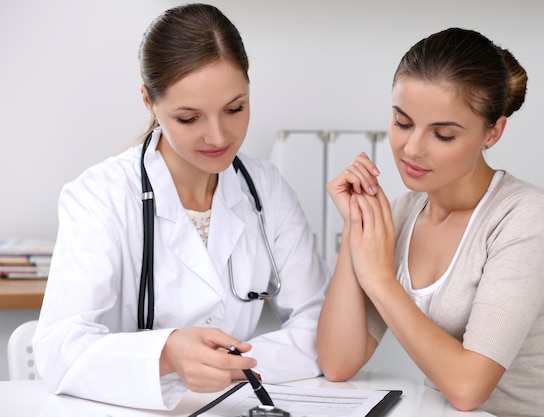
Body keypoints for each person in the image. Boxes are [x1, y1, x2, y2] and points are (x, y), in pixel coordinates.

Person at [33, 3, 329, 410]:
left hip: (235, 405)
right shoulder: (98, 197)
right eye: (189, 118)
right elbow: (58, 348)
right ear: (149, 102)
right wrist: (166, 354)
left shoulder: (266, 190)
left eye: (235, 109)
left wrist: (230, 366)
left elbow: (321, 327)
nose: (218, 136)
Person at [317, 28, 544, 417]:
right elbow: (338, 363)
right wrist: (356, 226)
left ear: (492, 132)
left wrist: (379, 279)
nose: (412, 149)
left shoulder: (526, 217)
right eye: (403, 123)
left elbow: (467, 387)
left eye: (443, 135)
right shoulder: (402, 214)